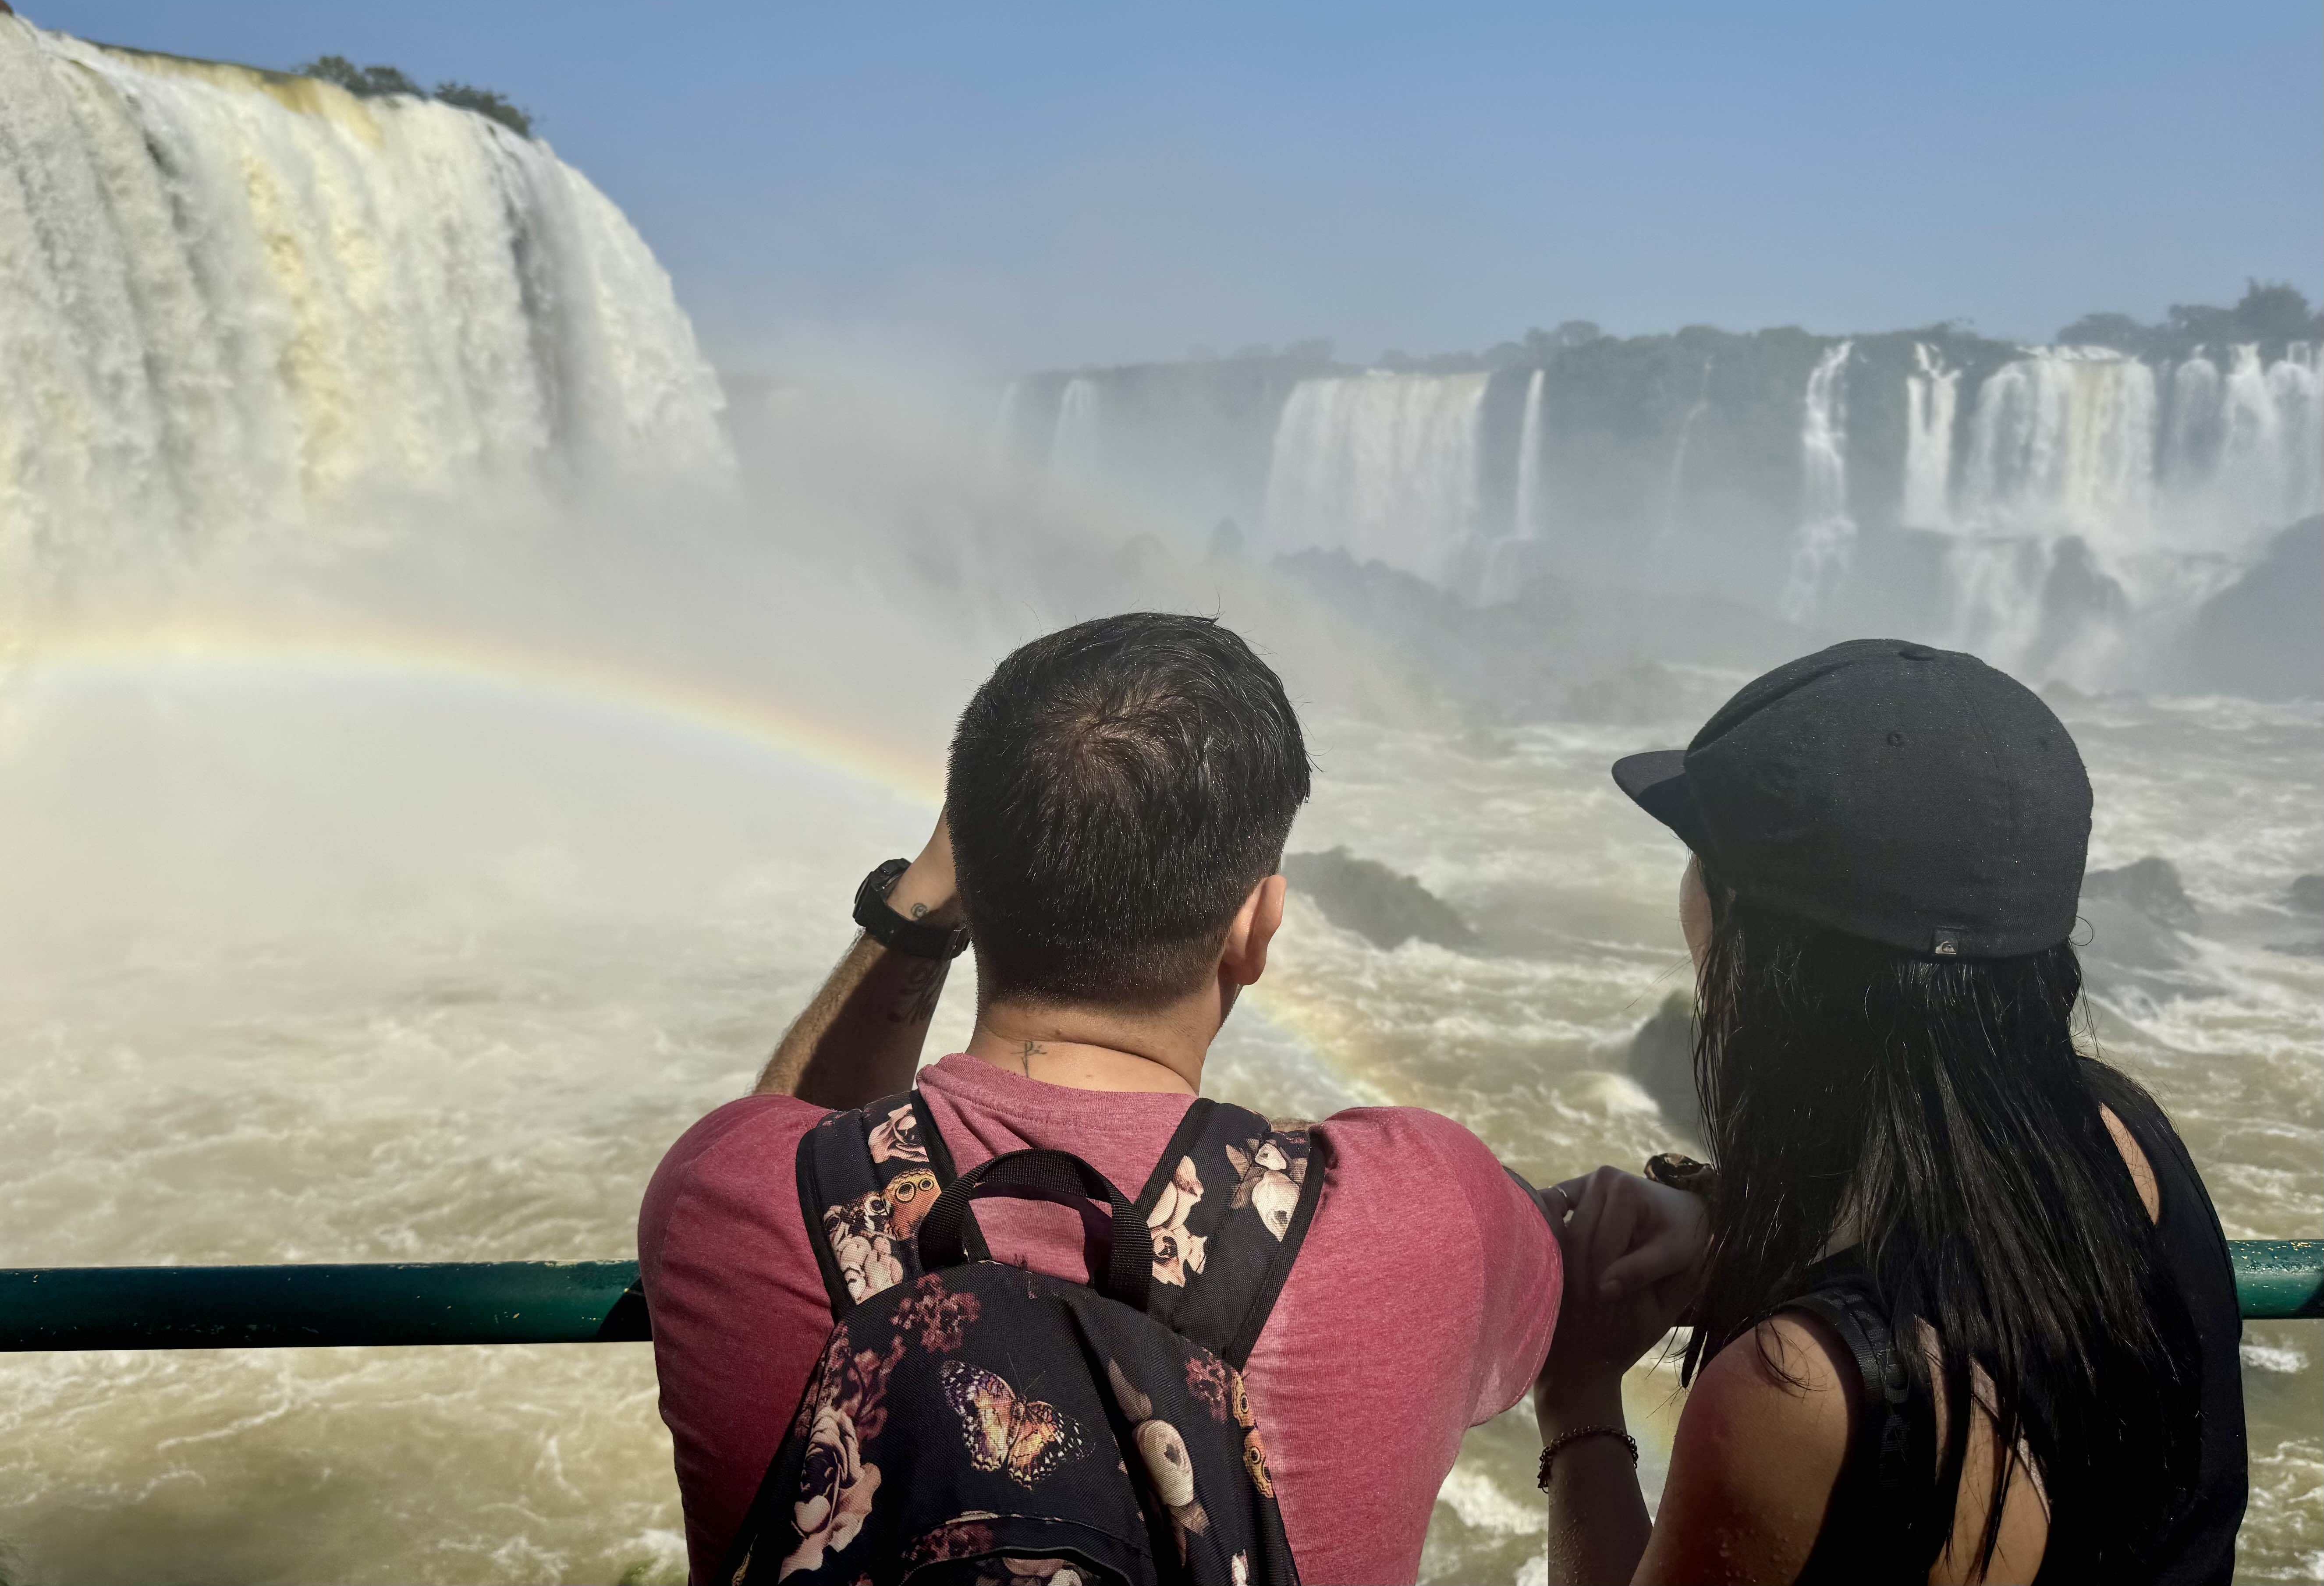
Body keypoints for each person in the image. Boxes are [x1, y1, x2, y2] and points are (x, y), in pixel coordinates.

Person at [640, 612, 1700, 1586]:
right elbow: (1595, 1253)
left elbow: (810, 1141)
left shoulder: (723, 1201)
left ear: (977, 879)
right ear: (1258, 927)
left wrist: (915, 912)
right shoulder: (1426, 1213)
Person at [1536, 639, 2247, 1586]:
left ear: (1754, 944)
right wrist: (1732, 1224)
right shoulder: (2123, 1136)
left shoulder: (1800, 1394)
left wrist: (1579, 1395)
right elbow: (1956, 1215)